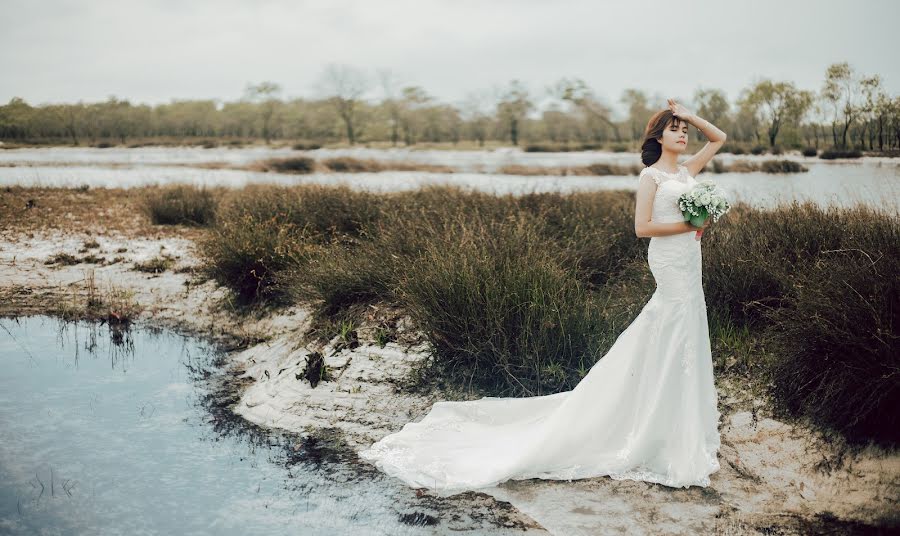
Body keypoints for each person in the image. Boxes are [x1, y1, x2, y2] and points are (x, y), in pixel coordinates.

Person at [358, 98, 728, 496]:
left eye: (685, 130)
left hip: (690, 259)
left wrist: (690, 116)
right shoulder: (651, 177)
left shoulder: (688, 171)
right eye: (675, 128)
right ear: (658, 137)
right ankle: (650, 419)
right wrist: (690, 224)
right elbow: (643, 227)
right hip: (670, 260)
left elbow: (719, 137)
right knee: (671, 320)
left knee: (686, 322)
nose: (684, 134)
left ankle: (674, 416)